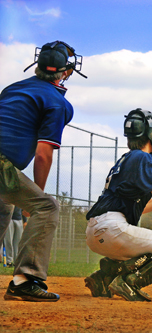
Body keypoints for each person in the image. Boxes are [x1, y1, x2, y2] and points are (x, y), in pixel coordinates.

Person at [0, 41, 87, 302]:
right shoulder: (57, 102)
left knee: (3, 206)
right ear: (66, 72)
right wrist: (36, 195)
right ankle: (25, 281)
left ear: (36, 67)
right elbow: (43, 153)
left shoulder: (12, 89)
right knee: (46, 207)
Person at [83, 108, 152, 302]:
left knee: (147, 248)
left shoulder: (127, 159)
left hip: (96, 231)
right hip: (112, 228)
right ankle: (129, 282)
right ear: (151, 135)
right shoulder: (142, 157)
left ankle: (103, 279)